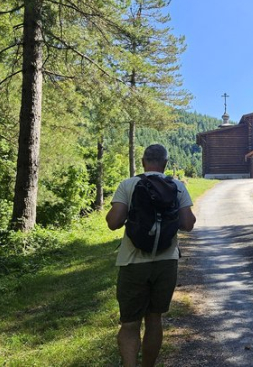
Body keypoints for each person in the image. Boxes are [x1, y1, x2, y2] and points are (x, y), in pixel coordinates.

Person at [106, 144, 196, 367]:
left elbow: (113, 222)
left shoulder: (129, 184)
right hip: (166, 262)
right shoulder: (177, 186)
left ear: (143, 161)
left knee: (129, 324)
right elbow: (188, 224)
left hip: (132, 262)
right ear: (165, 164)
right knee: (154, 319)